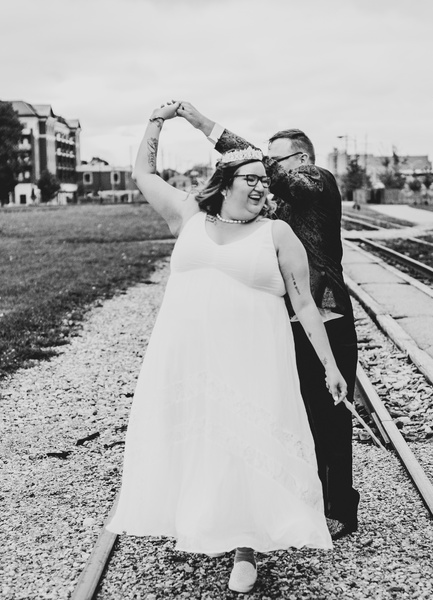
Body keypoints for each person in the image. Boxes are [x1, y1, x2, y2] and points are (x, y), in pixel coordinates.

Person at [106, 100, 349, 595]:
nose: (262, 186)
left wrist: (331, 365)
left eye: (266, 178)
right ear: (225, 182)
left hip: (253, 359)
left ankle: (245, 547)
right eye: (251, 178)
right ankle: (201, 520)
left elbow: (305, 305)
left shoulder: (278, 233)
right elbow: (143, 173)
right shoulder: (188, 215)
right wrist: (157, 122)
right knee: (200, 442)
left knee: (247, 445)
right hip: (189, 356)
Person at [176, 102, 360, 539]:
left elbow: (258, 165)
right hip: (284, 320)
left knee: (329, 418)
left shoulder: (318, 180)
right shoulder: (280, 198)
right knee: (289, 413)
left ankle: (340, 508)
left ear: (301, 157)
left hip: (325, 317)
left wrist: (204, 124)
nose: (265, 171)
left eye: (273, 161)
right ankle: (298, 501)